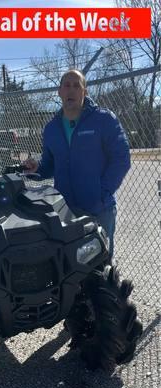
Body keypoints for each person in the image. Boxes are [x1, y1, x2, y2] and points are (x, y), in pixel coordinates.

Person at [24, 69, 131, 261]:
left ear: (85, 92)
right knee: (70, 266)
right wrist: (37, 168)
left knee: (101, 265)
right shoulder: (51, 128)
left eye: (77, 86)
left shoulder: (104, 120)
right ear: (59, 91)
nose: (71, 90)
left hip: (98, 209)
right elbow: (49, 164)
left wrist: (102, 192)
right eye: (67, 85)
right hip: (65, 211)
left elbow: (121, 158)